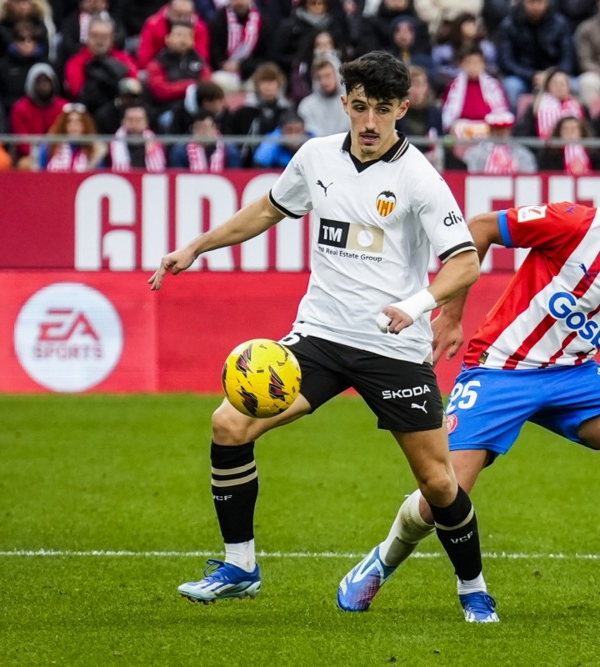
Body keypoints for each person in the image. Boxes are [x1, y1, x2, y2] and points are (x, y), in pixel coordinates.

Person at [148, 51, 498, 623]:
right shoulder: (315, 157)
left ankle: (473, 588)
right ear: (345, 102)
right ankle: (240, 568)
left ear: (402, 110)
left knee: (438, 483)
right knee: (229, 423)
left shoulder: (420, 179)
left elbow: (464, 263)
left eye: (382, 111)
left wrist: (415, 307)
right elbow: (267, 210)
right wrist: (196, 247)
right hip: (320, 337)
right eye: (359, 107)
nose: (368, 122)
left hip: (394, 350)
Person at [338, 158, 600, 616]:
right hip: (500, 369)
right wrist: (451, 315)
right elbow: (478, 229)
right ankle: (380, 561)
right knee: (443, 495)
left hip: (573, 376)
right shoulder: (577, 225)